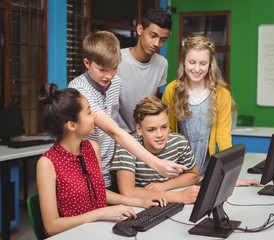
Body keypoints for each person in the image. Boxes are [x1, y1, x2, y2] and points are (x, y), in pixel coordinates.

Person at [36, 84, 166, 237]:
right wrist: (101, 213)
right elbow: (52, 226)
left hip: (98, 230)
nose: (95, 116)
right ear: (72, 125)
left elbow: (99, 192)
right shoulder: (47, 163)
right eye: (89, 112)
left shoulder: (92, 147)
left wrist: (141, 202)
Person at [68, 30, 185, 189]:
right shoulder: (79, 90)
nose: (108, 76)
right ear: (87, 63)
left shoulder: (115, 82)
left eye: (114, 68)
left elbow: (114, 116)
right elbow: (114, 131)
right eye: (102, 69)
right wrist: (156, 163)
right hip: (85, 168)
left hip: (109, 166)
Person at [162, 35, 259, 186]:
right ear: (183, 62)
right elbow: (167, 134)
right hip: (178, 171)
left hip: (207, 171)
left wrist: (231, 176)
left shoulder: (221, 93)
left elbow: (223, 137)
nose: (196, 69)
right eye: (192, 62)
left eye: (203, 63)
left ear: (210, 64)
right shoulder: (171, 90)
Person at [111, 96, 201, 204]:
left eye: (164, 127)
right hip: (141, 207)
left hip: (169, 200)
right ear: (139, 130)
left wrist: (166, 185)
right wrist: (178, 196)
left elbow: (194, 175)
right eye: (151, 130)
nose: (160, 135)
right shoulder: (127, 147)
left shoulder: (179, 142)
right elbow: (127, 192)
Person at [117, 7, 171, 134]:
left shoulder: (162, 64)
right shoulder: (116, 59)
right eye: (153, 36)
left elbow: (152, 103)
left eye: (163, 40)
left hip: (145, 136)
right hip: (117, 136)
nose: (157, 44)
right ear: (140, 29)